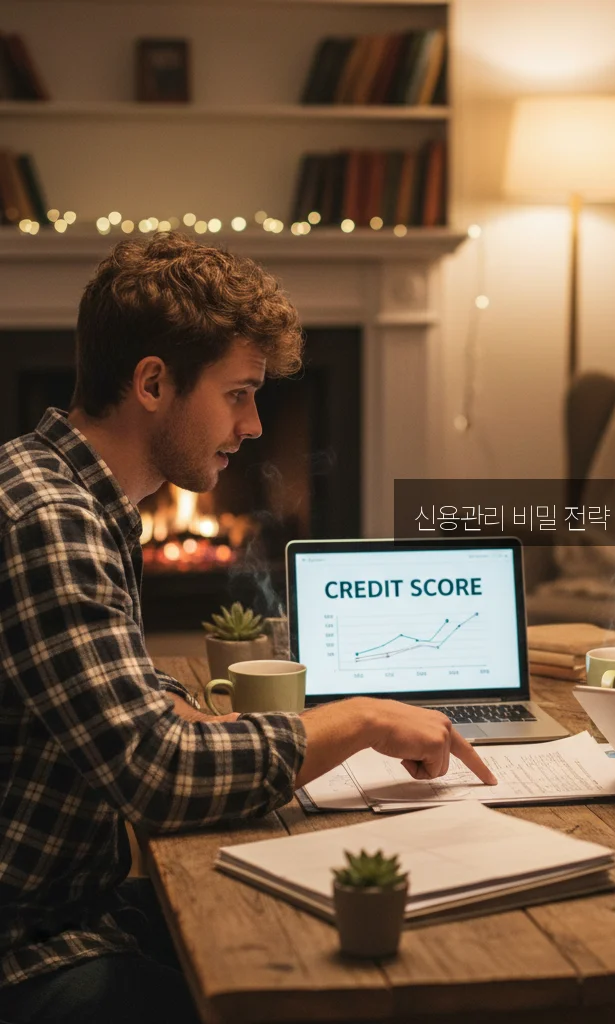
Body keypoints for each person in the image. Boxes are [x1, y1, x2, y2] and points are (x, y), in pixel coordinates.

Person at [0, 233, 496, 1024]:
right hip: (32, 945)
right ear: (154, 383)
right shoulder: (53, 519)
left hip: (70, 904)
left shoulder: (63, 488)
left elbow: (83, 679)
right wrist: (361, 718)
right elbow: (156, 777)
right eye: (237, 394)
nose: (257, 424)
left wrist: (171, 699)